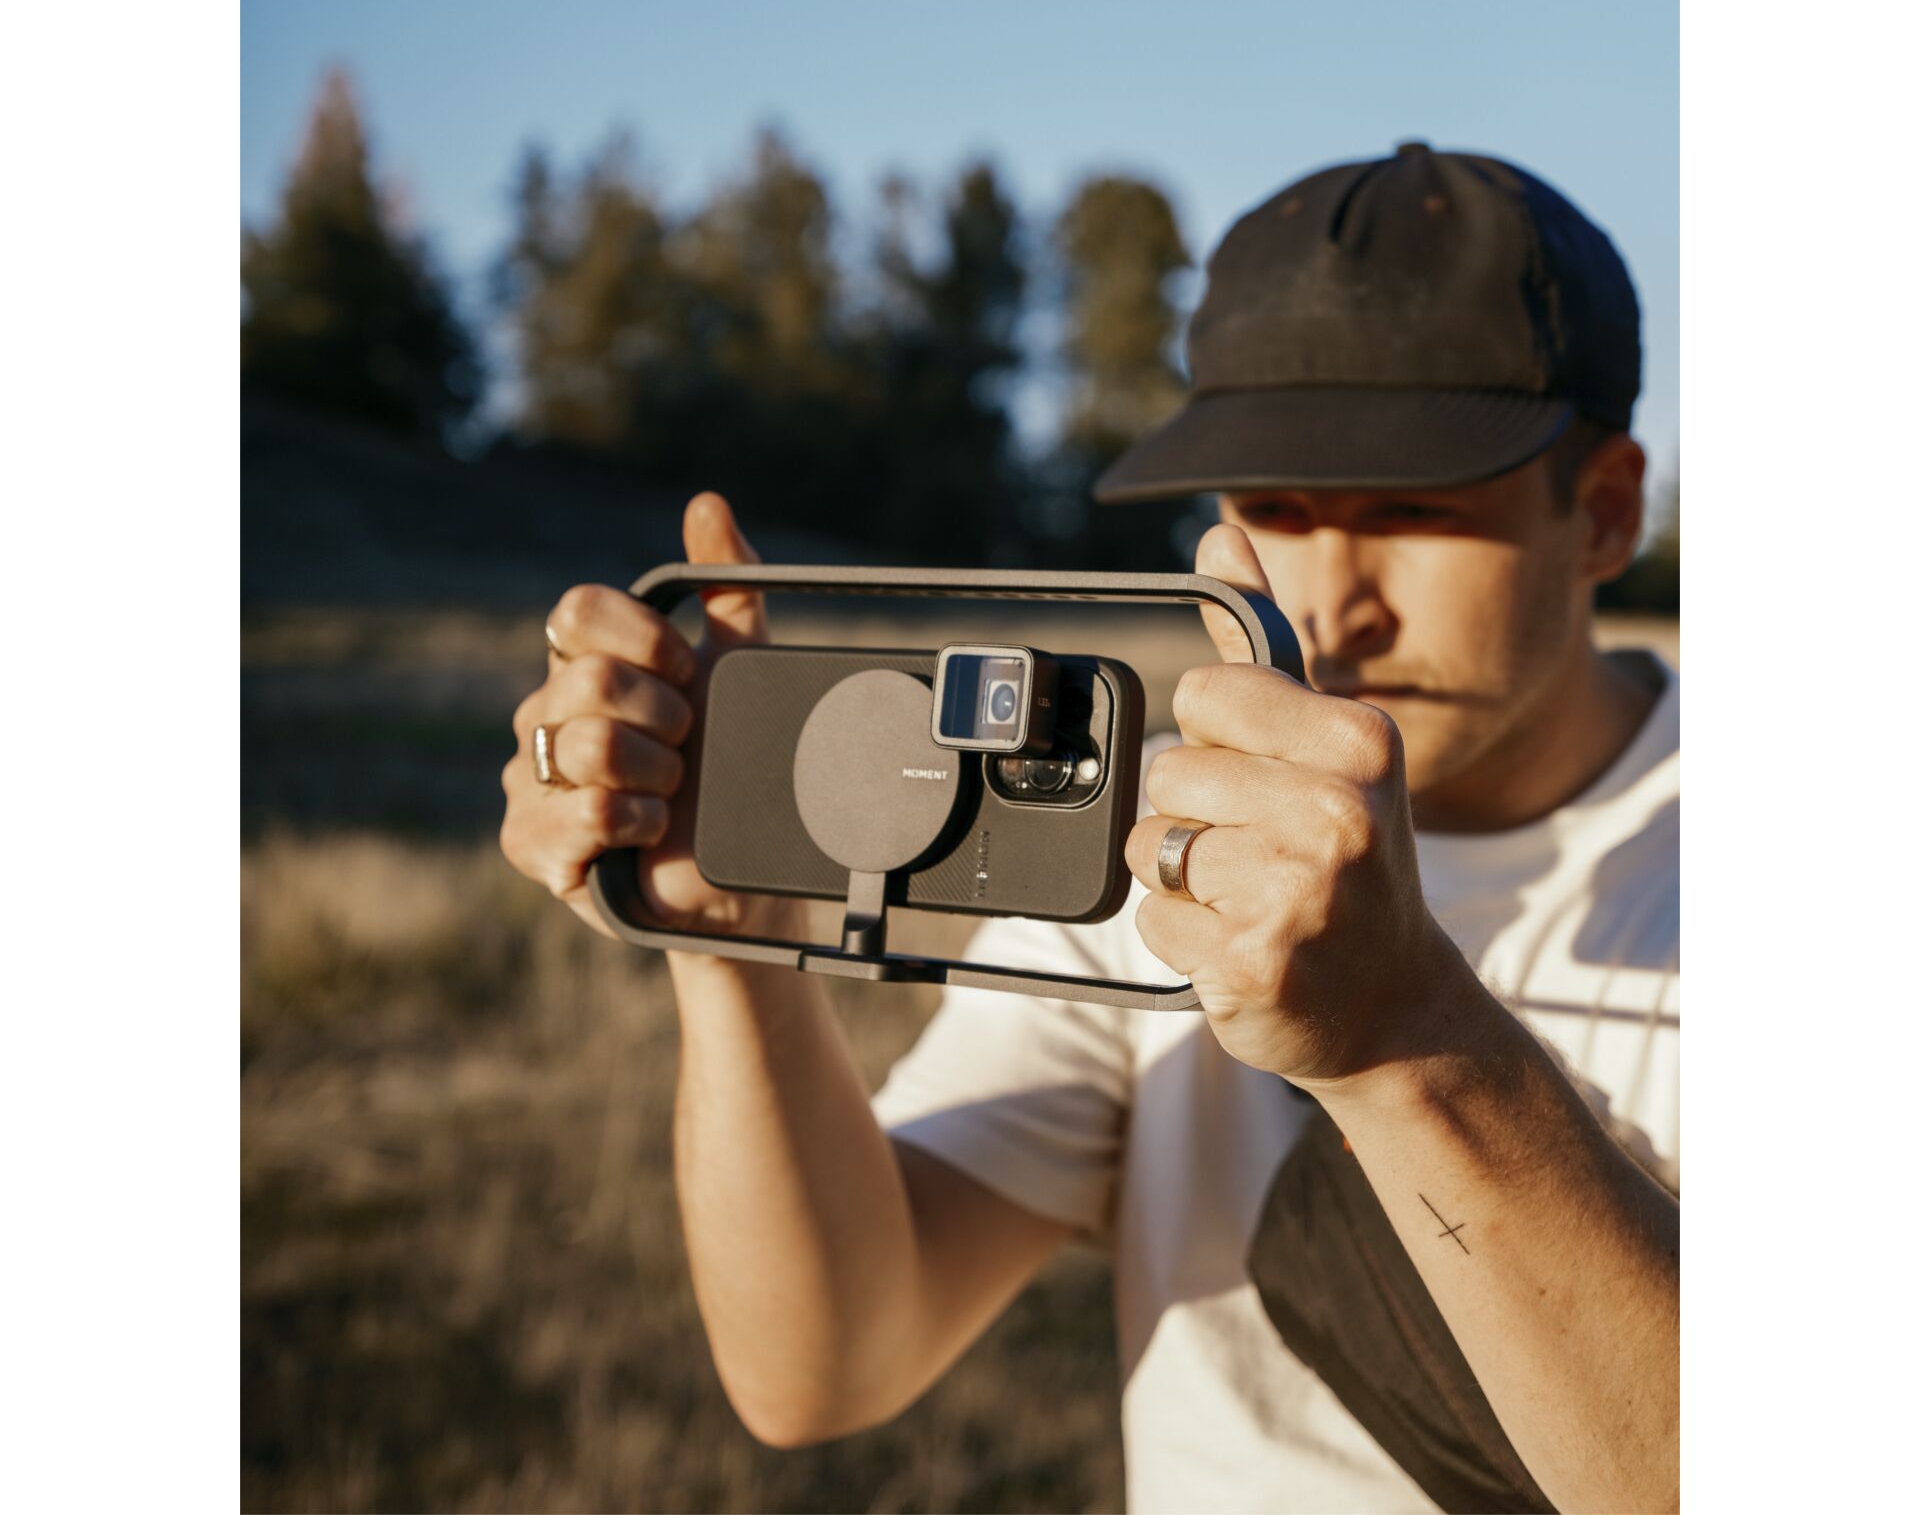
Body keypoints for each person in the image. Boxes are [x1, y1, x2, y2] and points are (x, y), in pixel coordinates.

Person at [498, 141, 1679, 1514]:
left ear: (1601, 513)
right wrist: (733, 944)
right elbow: (826, 1362)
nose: (1334, 602)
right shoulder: (1154, 838)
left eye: (1416, 513)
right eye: (1274, 512)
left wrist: (1404, 1039)